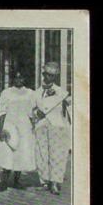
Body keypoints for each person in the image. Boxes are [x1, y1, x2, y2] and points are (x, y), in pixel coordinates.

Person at [31, 62, 71, 195]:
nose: (49, 78)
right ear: (43, 75)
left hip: (57, 125)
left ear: (55, 77)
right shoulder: (36, 93)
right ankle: (45, 181)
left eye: (52, 76)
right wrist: (37, 114)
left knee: (57, 154)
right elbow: (31, 110)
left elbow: (70, 109)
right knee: (42, 153)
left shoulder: (62, 92)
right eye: (47, 75)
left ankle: (55, 182)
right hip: (41, 125)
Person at [0, 71, 36, 190]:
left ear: (24, 79)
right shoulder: (6, 93)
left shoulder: (30, 93)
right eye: (16, 77)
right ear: (13, 79)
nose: (19, 80)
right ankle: (4, 182)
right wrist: (2, 129)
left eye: (21, 77)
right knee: (7, 152)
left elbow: (32, 112)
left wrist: (33, 126)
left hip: (24, 126)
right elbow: (2, 111)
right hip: (9, 124)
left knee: (21, 152)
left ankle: (17, 181)